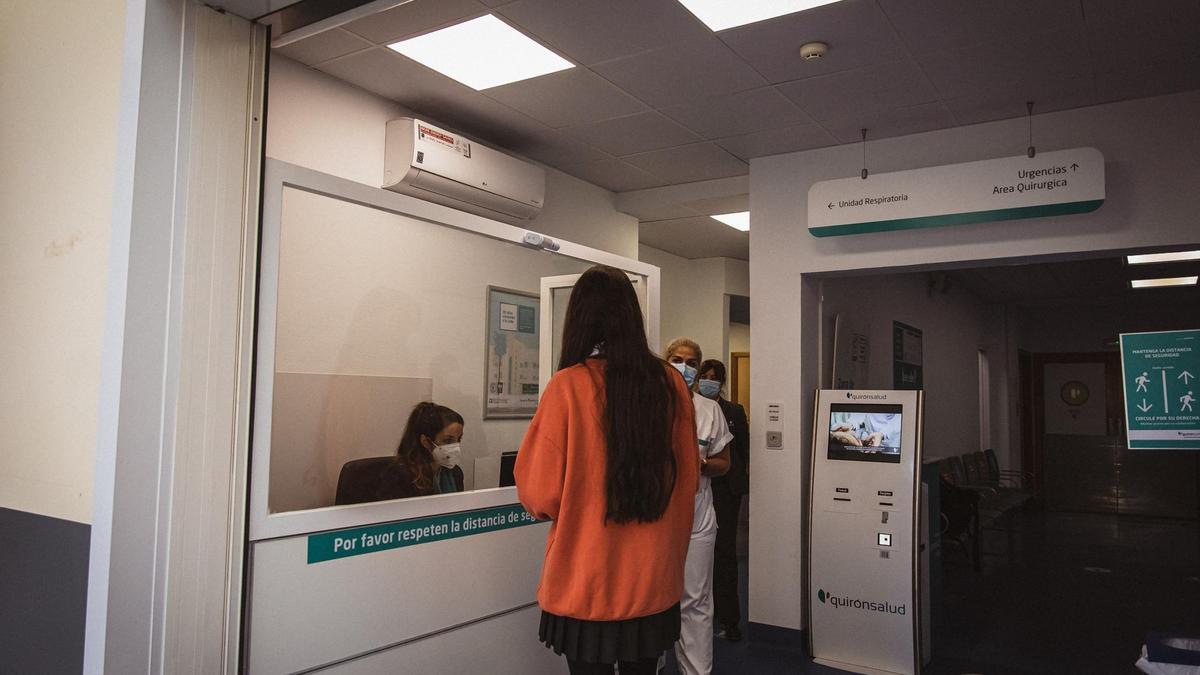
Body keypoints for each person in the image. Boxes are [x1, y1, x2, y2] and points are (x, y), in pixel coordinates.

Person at [515, 265, 700, 675]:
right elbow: (689, 482)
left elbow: (539, 495)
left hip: (586, 583)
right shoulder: (671, 385)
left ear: (578, 319)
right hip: (653, 580)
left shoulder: (567, 387)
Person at [665, 338, 732, 675]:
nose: (685, 368)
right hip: (658, 515)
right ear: (665, 362)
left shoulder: (710, 410)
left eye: (692, 362)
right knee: (656, 597)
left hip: (697, 512)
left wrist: (702, 465)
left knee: (695, 600)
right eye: (677, 359)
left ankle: (696, 671)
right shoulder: (650, 404)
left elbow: (725, 462)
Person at [697, 359, 749, 643]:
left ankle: (731, 621)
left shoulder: (732, 411)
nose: (708, 381)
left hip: (727, 490)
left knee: (725, 553)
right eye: (705, 376)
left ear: (722, 382)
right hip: (700, 487)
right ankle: (704, 614)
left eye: (714, 378)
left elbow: (742, 450)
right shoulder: (692, 409)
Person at [378, 402, 466, 499]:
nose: (455, 446)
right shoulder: (399, 475)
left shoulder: (455, 473)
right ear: (426, 441)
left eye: (459, 439)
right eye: (448, 440)